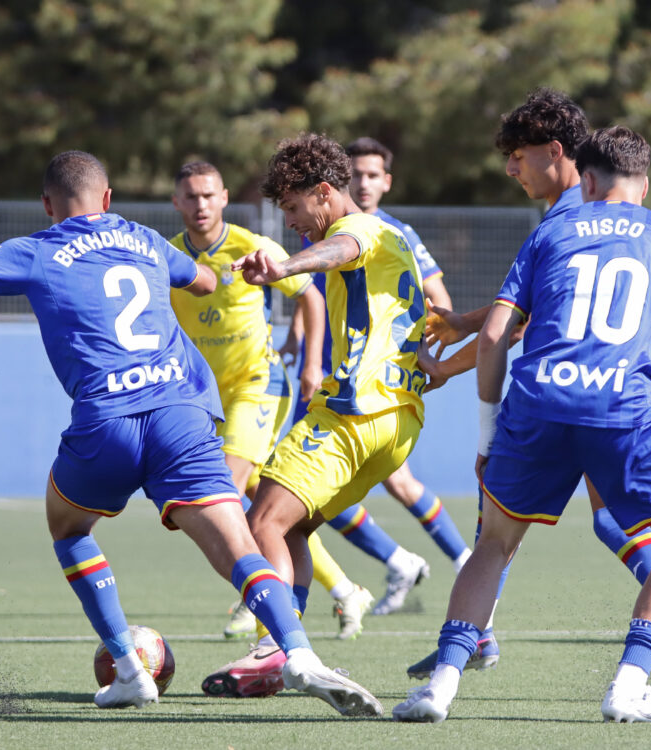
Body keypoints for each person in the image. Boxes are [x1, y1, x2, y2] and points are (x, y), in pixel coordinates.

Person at [0, 150, 382, 718]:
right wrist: (217, 275)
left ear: (47, 205)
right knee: (238, 546)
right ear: (107, 199)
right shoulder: (145, 239)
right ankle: (297, 653)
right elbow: (205, 281)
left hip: (107, 419)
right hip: (183, 413)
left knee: (67, 527)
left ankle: (130, 670)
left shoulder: (33, 249)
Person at [393, 126, 651, 724]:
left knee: (494, 544)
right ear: (643, 185)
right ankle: (631, 683)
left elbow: (495, 336)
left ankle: (440, 686)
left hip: (537, 403)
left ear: (586, 181)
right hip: (624, 410)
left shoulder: (553, 231)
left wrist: (490, 433)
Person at [201, 132, 428, 697]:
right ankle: (283, 647)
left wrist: (282, 268)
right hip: (397, 424)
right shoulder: (393, 237)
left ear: (325, 193)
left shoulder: (359, 229)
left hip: (353, 413)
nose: (294, 223)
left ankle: (279, 649)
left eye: (296, 209)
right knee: (292, 526)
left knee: (261, 523)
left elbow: (339, 249)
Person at [167, 161, 375, 655]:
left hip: (260, 386)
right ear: (177, 202)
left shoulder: (250, 246)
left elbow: (311, 299)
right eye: (191, 197)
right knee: (266, 509)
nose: (200, 205)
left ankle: (256, 598)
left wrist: (307, 364)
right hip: (209, 397)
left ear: (223, 199)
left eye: (209, 195)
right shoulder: (171, 257)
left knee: (221, 491)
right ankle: (346, 590)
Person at [282, 137, 472, 617]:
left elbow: (435, 300)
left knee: (289, 503)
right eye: (359, 173)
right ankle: (415, 565)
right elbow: (313, 290)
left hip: (363, 388)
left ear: (385, 182)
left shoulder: (386, 232)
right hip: (335, 378)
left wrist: (426, 353)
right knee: (303, 501)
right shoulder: (321, 230)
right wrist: (301, 342)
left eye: (374, 175)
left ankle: (456, 562)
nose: (365, 182)